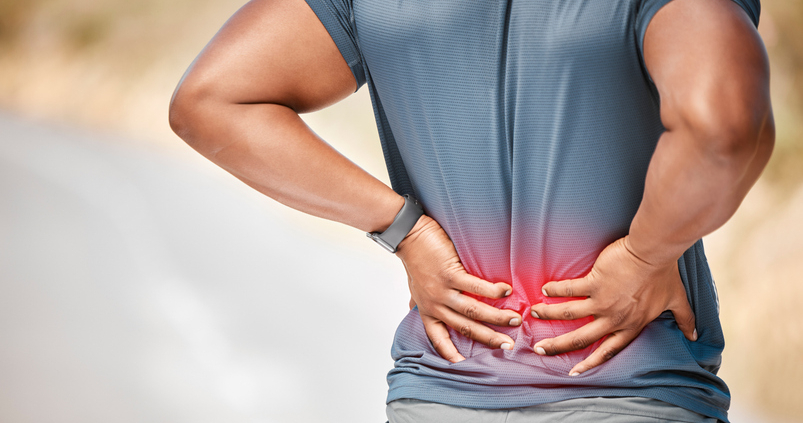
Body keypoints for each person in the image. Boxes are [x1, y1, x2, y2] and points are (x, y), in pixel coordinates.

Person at [168, 0, 774, 421]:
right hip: (627, 390)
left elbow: (211, 101)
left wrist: (403, 230)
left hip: (438, 393)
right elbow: (720, 124)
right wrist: (646, 255)